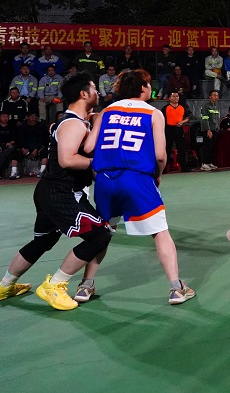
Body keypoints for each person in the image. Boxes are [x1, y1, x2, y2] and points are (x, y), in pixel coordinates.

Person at [0, 71, 112, 311]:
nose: (98, 92)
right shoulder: (73, 124)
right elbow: (67, 159)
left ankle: (3, 286)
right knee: (100, 236)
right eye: (94, 88)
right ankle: (55, 285)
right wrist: (97, 163)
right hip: (62, 193)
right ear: (84, 94)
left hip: (49, 190)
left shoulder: (77, 120)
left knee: (43, 241)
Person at [86, 68, 196, 305]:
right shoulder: (154, 113)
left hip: (105, 180)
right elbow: (160, 155)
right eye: (148, 84)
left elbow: (88, 147)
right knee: (160, 232)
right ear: (143, 88)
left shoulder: (106, 111)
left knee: (102, 234)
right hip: (137, 179)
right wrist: (158, 175)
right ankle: (176, 288)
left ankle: (85, 286)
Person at [11, 112, 48, 178]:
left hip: (37, 147)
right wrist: (22, 148)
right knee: (15, 152)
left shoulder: (41, 126)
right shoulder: (22, 127)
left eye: (34, 116)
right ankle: (14, 172)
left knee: (45, 152)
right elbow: (19, 139)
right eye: (31, 116)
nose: (33, 118)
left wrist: (36, 149)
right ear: (27, 117)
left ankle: (42, 171)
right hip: (25, 147)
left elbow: (42, 139)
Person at [164, 91, 190, 172]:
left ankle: (184, 166)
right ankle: (164, 168)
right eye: (174, 96)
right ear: (169, 98)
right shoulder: (165, 108)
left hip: (179, 129)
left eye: (177, 96)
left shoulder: (182, 107)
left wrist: (182, 122)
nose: (176, 98)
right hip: (168, 129)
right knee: (167, 148)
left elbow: (187, 118)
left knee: (181, 148)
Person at [199, 90, 221, 171]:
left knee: (213, 147)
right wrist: (208, 129)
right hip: (208, 130)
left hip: (215, 129)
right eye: (214, 95)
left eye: (217, 95)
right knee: (207, 146)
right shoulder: (205, 106)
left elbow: (217, 119)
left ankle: (209, 162)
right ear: (210, 97)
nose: (216, 97)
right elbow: (205, 118)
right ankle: (204, 163)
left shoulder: (216, 106)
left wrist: (217, 128)